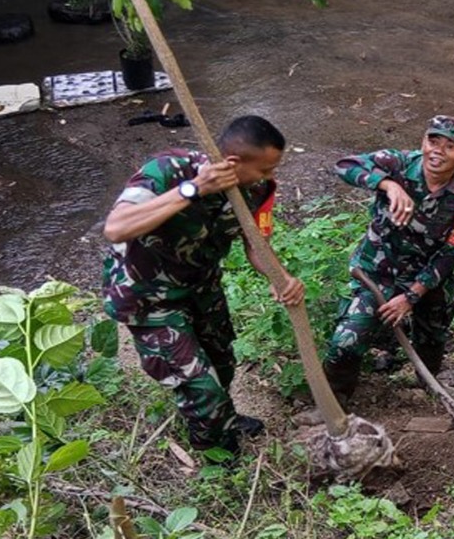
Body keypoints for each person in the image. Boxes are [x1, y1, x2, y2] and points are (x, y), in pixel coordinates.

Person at [103, 115, 305, 454]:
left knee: (222, 362)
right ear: (233, 162)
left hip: (201, 287)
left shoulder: (256, 189)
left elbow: (255, 243)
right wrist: (194, 190)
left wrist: (280, 277)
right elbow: (117, 227)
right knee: (200, 386)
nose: (271, 177)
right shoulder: (168, 170)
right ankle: (219, 461)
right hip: (149, 298)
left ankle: (221, 417)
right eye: (265, 169)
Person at [322, 116, 454, 400]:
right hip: (375, 273)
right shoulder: (396, 164)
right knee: (345, 343)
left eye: (450, 146)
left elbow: (452, 253)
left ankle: (428, 387)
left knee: (432, 338)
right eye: (432, 141)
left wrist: (411, 296)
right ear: (423, 141)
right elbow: (344, 165)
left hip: (428, 280)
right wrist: (388, 185)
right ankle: (334, 403)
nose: (437, 151)